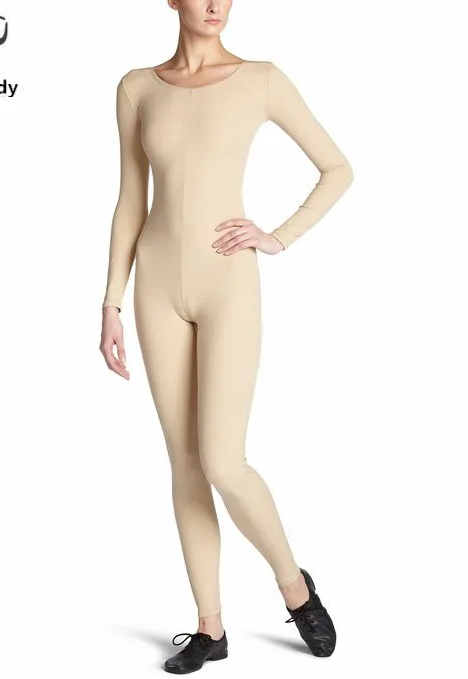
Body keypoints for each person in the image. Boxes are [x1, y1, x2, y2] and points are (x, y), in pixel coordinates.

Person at [100, 1, 353, 673]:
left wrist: (278, 236)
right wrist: (111, 301)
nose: (216, 4)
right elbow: (130, 199)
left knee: (222, 460)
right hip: (156, 289)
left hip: (228, 287)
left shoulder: (260, 79)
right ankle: (209, 628)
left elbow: (337, 168)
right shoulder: (136, 88)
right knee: (183, 462)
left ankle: (294, 585)